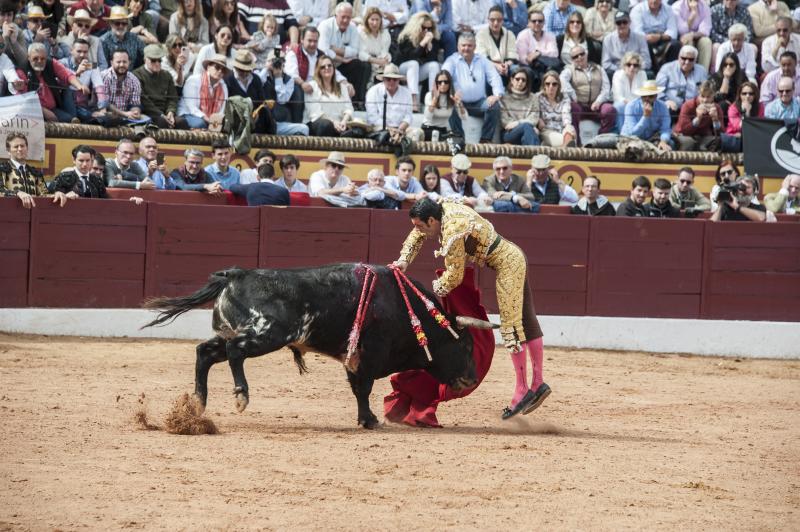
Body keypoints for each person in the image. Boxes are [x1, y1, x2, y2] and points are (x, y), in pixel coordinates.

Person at [393, 197, 550, 420]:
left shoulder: (452, 229)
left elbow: (454, 276)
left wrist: (438, 288)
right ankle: (537, 383)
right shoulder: (440, 212)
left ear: (431, 220)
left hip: (508, 264)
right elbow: (417, 234)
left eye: (420, 225)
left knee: (512, 328)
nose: (418, 231)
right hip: (512, 257)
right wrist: (404, 260)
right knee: (526, 322)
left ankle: (524, 389)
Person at [442, 32, 504, 144]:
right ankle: (459, 138)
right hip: (459, 103)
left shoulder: (482, 60)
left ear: (475, 47)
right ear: (458, 46)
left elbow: (494, 77)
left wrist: (496, 95)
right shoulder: (452, 60)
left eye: (470, 45)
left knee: (494, 105)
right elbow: (444, 76)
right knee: (449, 104)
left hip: (479, 104)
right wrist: (449, 94)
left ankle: (485, 139)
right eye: (463, 45)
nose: (466, 48)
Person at [13, 42, 83, 123]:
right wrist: (43, 111)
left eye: (43, 59)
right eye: (35, 58)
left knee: (71, 120)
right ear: (28, 58)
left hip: (53, 109)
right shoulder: (21, 71)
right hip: (33, 112)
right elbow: (22, 99)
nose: (39, 61)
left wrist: (79, 85)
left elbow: (66, 75)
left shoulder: (51, 63)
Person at [318, 2, 370, 109]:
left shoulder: (352, 27)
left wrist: (336, 49)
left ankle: (358, 101)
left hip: (342, 64)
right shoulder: (325, 26)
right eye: (343, 17)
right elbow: (324, 51)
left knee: (364, 65)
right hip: (326, 65)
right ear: (336, 15)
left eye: (348, 17)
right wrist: (342, 57)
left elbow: (355, 51)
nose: (346, 20)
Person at [560, 44, 616, 139]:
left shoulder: (598, 68)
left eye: (581, 54)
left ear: (586, 54)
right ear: (572, 59)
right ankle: (577, 141)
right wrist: (573, 96)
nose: (579, 57)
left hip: (596, 105)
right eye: (575, 56)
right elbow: (561, 79)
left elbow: (606, 88)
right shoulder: (569, 70)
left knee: (610, 110)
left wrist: (598, 101)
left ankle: (601, 138)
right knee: (573, 108)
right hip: (580, 105)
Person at [0, 133, 70, 208]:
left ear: (27, 148)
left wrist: (56, 194)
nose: (20, 149)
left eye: (22, 146)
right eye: (16, 147)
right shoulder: (2, 169)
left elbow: (43, 195)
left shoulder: (35, 172)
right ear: (8, 151)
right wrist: (18, 193)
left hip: (33, 214)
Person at [134, 43, 187, 129]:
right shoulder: (137, 75)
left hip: (165, 112)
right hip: (148, 113)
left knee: (182, 122)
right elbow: (143, 100)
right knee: (162, 122)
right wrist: (161, 114)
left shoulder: (166, 75)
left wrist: (171, 112)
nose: (157, 63)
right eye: (153, 60)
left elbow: (173, 97)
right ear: (145, 60)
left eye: (159, 60)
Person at [365, 63, 422, 143]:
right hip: (380, 128)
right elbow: (372, 118)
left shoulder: (406, 93)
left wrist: (399, 130)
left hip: (401, 129)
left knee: (417, 133)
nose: (392, 81)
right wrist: (390, 130)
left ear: (399, 80)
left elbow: (408, 116)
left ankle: (409, 154)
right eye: (388, 79)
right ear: (383, 79)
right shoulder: (373, 91)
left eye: (395, 79)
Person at [396, 11, 442, 110]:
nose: (426, 31)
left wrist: (429, 47)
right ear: (417, 27)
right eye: (423, 28)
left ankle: (432, 99)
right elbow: (411, 56)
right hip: (403, 69)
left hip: (418, 71)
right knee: (413, 63)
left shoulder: (432, 38)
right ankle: (414, 101)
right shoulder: (406, 37)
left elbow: (432, 59)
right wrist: (423, 43)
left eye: (429, 28)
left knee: (434, 65)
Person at [306, 55, 358, 138]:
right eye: (323, 67)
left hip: (341, 124)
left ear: (333, 68)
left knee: (357, 129)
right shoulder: (312, 86)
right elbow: (315, 113)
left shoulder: (342, 87)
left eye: (329, 65)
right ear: (318, 70)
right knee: (326, 125)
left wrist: (344, 121)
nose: (327, 68)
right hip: (319, 124)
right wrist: (334, 123)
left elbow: (349, 108)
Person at [59, 38, 108, 125]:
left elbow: (99, 86)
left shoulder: (91, 65)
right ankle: (85, 117)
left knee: (100, 116)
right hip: (64, 103)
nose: (82, 55)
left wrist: (103, 108)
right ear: (71, 51)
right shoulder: (63, 63)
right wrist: (77, 73)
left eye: (85, 52)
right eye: (79, 51)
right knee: (68, 91)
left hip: (82, 105)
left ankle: (90, 116)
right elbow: (60, 83)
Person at [177, 53, 229, 129]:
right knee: (201, 124)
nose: (220, 71)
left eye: (223, 70)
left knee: (226, 126)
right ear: (208, 67)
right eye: (217, 67)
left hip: (210, 119)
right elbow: (192, 107)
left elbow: (222, 109)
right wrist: (208, 120)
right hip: (188, 113)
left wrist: (216, 121)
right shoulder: (194, 80)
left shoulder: (223, 85)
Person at [621, 79, 674, 152]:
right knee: (634, 149)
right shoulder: (631, 106)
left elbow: (665, 129)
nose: (647, 99)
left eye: (650, 96)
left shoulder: (663, 107)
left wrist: (663, 141)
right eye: (644, 96)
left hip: (651, 138)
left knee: (670, 144)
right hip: (631, 139)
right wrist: (645, 117)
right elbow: (633, 133)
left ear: (656, 96)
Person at [101, 48, 150, 126]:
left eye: (124, 62)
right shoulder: (105, 77)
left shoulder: (134, 80)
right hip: (108, 114)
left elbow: (135, 103)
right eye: (118, 62)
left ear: (129, 62)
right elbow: (105, 103)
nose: (121, 65)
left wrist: (135, 112)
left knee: (147, 122)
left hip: (127, 116)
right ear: (111, 62)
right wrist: (124, 114)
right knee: (112, 119)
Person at [673, 79, 724, 151]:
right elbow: (685, 131)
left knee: (719, 141)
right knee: (689, 142)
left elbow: (721, 133)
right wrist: (698, 118)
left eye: (708, 97)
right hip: (683, 135)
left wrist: (715, 120)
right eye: (702, 96)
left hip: (703, 137)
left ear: (713, 96)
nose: (705, 100)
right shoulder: (688, 105)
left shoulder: (716, 108)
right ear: (698, 95)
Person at [656, 44, 708, 113]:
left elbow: (706, 91)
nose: (687, 62)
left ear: (695, 60)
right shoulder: (667, 68)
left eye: (691, 59)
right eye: (684, 58)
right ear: (678, 57)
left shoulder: (701, 71)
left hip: (694, 107)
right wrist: (666, 101)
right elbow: (657, 89)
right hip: (671, 106)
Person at [515, 10, 559, 91]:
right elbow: (523, 58)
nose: (537, 23)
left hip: (546, 67)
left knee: (551, 71)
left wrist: (538, 53)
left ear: (544, 22)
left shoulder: (550, 36)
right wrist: (534, 59)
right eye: (534, 21)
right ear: (528, 22)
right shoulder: (523, 35)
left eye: (540, 21)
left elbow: (555, 54)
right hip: (529, 66)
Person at [631, 0, 680, 71]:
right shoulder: (637, 10)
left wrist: (659, 37)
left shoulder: (669, 9)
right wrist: (649, 37)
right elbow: (637, 32)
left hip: (662, 38)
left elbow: (672, 31)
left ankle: (671, 71)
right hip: (646, 39)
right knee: (644, 43)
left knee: (676, 44)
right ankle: (652, 71)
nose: (654, 1)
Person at [476, 6, 518, 87]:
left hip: (505, 66)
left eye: (499, 20)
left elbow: (512, 56)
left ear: (503, 21)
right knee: (487, 72)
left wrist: (506, 66)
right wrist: (497, 66)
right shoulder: (481, 34)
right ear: (488, 20)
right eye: (492, 20)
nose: (496, 23)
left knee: (518, 70)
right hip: (488, 65)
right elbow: (482, 57)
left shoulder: (509, 34)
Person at [602, 11, 652, 79]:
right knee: (608, 73)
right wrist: (622, 70)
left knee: (649, 74)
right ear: (615, 24)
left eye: (625, 22)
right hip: (616, 72)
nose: (622, 25)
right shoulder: (608, 39)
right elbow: (605, 63)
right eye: (619, 23)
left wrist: (634, 68)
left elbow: (647, 61)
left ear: (630, 22)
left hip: (636, 70)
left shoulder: (640, 38)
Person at [536, 70, 576, 148]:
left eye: (554, 84)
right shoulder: (538, 97)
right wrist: (538, 119)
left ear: (558, 86)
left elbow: (566, 113)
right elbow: (533, 112)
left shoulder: (564, 97)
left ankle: (566, 147)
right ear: (544, 85)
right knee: (565, 140)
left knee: (570, 130)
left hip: (562, 128)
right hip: (547, 130)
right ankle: (566, 147)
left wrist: (567, 125)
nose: (551, 87)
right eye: (547, 84)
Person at [500, 68, 540, 146]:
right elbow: (505, 121)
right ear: (512, 80)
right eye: (517, 79)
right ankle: (538, 155)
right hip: (509, 133)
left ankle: (532, 156)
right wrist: (527, 125)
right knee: (527, 127)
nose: (520, 82)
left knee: (526, 136)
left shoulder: (533, 97)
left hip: (528, 131)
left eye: (523, 80)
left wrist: (519, 123)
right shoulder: (503, 97)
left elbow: (534, 118)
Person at [422, 70, 464, 141]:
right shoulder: (429, 95)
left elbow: (464, 117)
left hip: (442, 130)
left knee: (457, 139)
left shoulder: (452, 97)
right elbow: (428, 117)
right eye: (440, 82)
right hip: (428, 129)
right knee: (436, 136)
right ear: (436, 84)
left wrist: (459, 104)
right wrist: (435, 99)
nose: (443, 84)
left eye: (446, 82)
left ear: (449, 84)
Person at [612, 51, 647, 132]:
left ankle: (638, 133)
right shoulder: (618, 74)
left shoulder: (642, 74)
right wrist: (630, 104)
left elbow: (644, 94)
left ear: (639, 67)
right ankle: (623, 134)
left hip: (638, 103)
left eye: (635, 65)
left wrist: (635, 104)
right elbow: (618, 96)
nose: (632, 67)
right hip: (622, 103)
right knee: (619, 107)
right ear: (624, 65)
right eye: (629, 64)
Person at [672, 0, 712, 71]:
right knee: (688, 40)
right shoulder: (677, 7)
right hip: (681, 38)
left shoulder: (704, 7)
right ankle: (687, 72)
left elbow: (705, 30)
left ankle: (702, 73)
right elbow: (681, 30)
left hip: (697, 36)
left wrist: (692, 35)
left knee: (707, 42)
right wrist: (693, 14)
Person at [723, 81, 759, 152]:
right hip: (734, 138)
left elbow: (759, 126)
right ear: (739, 95)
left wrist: (748, 113)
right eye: (744, 94)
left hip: (753, 137)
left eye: (751, 93)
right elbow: (738, 127)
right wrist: (746, 113)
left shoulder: (760, 107)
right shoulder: (733, 108)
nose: (747, 96)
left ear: (755, 95)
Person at [358, 6, 391, 84]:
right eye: (372, 19)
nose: (375, 23)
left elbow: (384, 51)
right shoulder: (361, 33)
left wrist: (383, 60)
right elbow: (361, 54)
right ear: (367, 20)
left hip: (381, 64)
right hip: (367, 63)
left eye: (377, 20)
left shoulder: (385, 33)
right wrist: (377, 61)